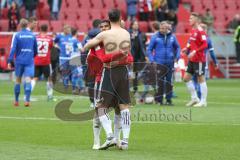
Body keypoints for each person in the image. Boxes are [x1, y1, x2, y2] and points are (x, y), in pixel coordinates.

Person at [83, 9, 132, 150]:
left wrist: (91, 45)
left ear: (109, 20)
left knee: (101, 108)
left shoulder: (104, 34)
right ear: (120, 18)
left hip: (110, 71)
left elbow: (87, 46)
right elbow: (127, 54)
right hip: (123, 71)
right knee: (124, 107)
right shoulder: (126, 33)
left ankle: (110, 136)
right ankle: (125, 141)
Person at [147, 21, 180, 105]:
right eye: (161, 28)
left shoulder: (172, 36)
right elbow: (149, 49)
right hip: (159, 63)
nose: (162, 30)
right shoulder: (155, 37)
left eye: (164, 28)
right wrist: (152, 60)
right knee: (160, 82)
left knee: (169, 81)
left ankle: (169, 100)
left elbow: (178, 47)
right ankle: (159, 100)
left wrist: (177, 57)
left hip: (170, 62)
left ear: (167, 28)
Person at [7, 18, 38, 107]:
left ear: (20, 25)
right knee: (28, 79)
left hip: (19, 61)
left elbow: (13, 49)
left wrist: (10, 60)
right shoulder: (32, 35)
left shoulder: (17, 35)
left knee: (18, 80)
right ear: (27, 24)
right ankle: (27, 101)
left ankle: (16, 101)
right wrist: (31, 55)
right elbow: (35, 50)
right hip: (29, 60)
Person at [182, 13, 208, 107]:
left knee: (201, 78)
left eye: (191, 18)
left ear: (196, 20)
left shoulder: (201, 31)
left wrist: (195, 51)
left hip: (199, 59)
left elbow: (205, 45)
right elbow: (191, 42)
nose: (189, 20)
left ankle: (203, 101)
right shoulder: (193, 30)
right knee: (186, 78)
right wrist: (187, 49)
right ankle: (194, 98)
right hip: (192, 59)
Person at [82, 19, 102, 108]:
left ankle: (92, 102)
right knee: (100, 81)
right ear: (99, 26)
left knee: (90, 83)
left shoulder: (87, 37)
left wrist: (83, 62)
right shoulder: (102, 35)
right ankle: (99, 100)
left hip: (89, 62)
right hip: (100, 61)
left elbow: (83, 50)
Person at [31, 24, 54, 101]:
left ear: (40, 29)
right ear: (47, 29)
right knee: (49, 78)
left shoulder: (35, 38)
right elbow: (50, 48)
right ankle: (50, 96)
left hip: (37, 60)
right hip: (46, 61)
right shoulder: (50, 39)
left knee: (35, 78)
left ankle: (27, 95)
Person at [129, 20, 147, 96]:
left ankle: (137, 90)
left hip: (139, 58)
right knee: (130, 74)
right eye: (135, 24)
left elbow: (143, 45)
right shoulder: (128, 34)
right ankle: (129, 90)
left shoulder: (141, 34)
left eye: (137, 24)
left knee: (137, 74)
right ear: (131, 26)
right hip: (130, 57)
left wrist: (144, 55)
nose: (136, 26)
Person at [54, 25, 72, 90]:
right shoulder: (59, 36)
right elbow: (54, 42)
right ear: (64, 30)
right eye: (68, 29)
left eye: (70, 30)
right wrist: (57, 47)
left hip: (71, 57)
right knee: (64, 71)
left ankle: (71, 85)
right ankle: (65, 86)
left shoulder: (71, 36)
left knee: (71, 72)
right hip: (63, 57)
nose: (69, 31)